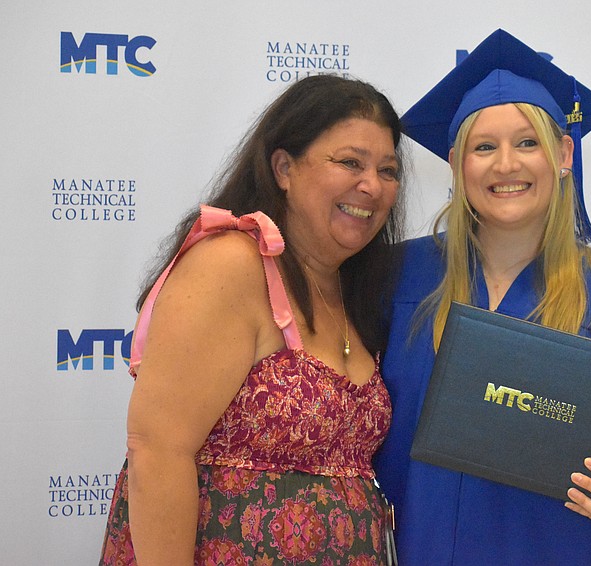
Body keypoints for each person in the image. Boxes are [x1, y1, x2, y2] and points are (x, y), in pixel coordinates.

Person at [373, 29, 591, 564]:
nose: (506, 165)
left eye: (527, 142)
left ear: (564, 153)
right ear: (456, 161)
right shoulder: (399, 277)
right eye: (484, 147)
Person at [100, 74, 406, 565]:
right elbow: (157, 449)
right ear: (284, 167)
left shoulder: (354, 289)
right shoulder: (233, 263)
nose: (372, 185)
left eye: (388, 170)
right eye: (350, 162)